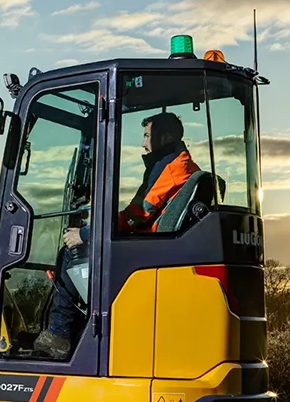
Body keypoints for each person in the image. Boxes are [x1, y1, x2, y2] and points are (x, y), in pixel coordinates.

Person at [32, 112, 200, 360]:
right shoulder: (177, 164)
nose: (143, 143)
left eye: (146, 136)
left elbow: (136, 216)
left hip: (145, 251)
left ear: (165, 137)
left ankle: (60, 334)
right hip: (151, 247)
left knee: (71, 251)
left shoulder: (171, 170)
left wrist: (87, 233)